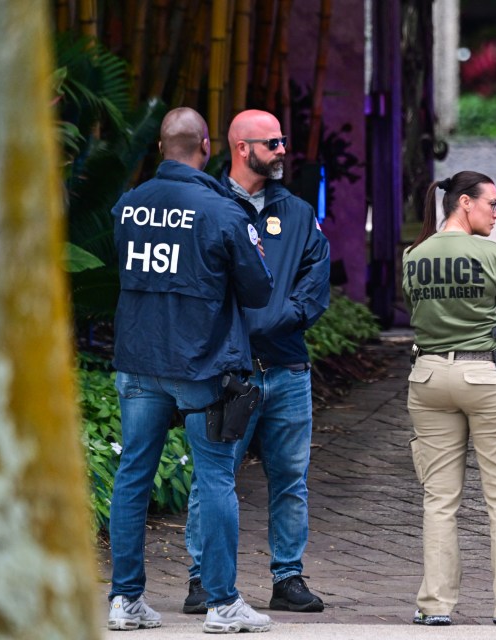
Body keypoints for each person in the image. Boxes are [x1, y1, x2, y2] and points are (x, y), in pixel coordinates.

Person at [105, 107, 275, 634]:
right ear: (206, 146)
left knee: (133, 475)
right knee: (217, 477)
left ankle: (125, 600)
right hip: (202, 366)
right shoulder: (223, 212)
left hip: (138, 361)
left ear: (160, 147)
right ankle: (222, 605)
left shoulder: (128, 206)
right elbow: (258, 290)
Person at [185, 109, 331, 614]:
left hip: (287, 367)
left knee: (290, 478)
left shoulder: (294, 211)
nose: (283, 150)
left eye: (283, 141)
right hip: (226, 370)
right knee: (214, 476)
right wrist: (235, 331)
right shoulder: (203, 206)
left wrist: (278, 318)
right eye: (273, 143)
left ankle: (287, 576)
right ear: (241, 148)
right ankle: (202, 577)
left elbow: (316, 274)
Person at [401, 171, 496, 627]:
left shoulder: (415, 254)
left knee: (439, 498)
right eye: (492, 204)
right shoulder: (492, 254)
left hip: (428, 375)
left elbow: (414, 309)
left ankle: (434, 605)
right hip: (487, 375)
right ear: (464, 203)